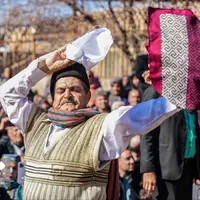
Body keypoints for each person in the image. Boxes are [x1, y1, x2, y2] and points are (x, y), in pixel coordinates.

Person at [0, 29, 178, 199]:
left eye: (75, 89)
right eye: (61, 90)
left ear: (88, 96)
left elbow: (147, 113)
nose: (67, 95)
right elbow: (7, 94)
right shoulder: (34, 121)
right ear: (52, 96)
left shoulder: (102, 127)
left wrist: (175, 88)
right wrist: (45, 66)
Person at [140, 78, 200, 200]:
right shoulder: (155, 92)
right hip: (166, 169)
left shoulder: (191, 93)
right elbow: (147, 134)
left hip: (188, 167)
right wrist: (148, 169)